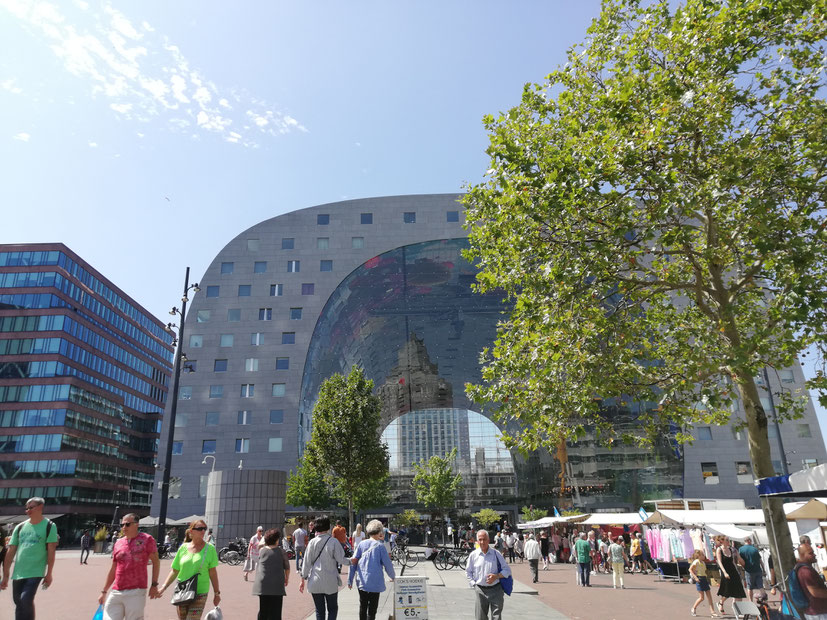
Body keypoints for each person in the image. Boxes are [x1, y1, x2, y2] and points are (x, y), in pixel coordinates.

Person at [0, 496, 59, 620]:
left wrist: (49, 574)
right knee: (18, 602)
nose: (27, 511)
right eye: (26, 508)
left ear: (40, 507)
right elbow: (10, 552)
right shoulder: (20, 527)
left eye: (30, 508)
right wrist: (5, 575)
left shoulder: (49, 526)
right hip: (19, 572)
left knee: (25, 599)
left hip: (36, 571)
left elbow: (51, 552)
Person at [98, 513, 161, 620]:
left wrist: (154, 585)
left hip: (136, 591)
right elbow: (114, 568)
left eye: (127, 524)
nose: (123, 527)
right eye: (122, 525)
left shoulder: (147, 539)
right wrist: (104, 591)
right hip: (116, 591)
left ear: (136, 524)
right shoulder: (118, 543)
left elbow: (156, 562)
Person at [159, 519, 220, 620]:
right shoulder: (183, 548)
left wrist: (216, 593)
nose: (203, 531)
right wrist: (163, 587)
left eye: (204, 529)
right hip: (182, 591)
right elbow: (175, 570)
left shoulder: (210, 549)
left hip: (200, 592)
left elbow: (213, 573)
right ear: (191, 531)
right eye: (200, 529)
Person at [348, 519, 395, 620]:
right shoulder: (381, 547)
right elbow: (388, 564)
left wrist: (350, 579)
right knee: (372, 609)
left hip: (362, 580)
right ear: (379, 532)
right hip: (375, 581)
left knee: (363, 606)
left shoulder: (361, 544)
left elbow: (353, 562)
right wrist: (393, 576)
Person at [300, 516, 345, 620]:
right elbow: (341, 559)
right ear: (328, 527)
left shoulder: (312, 543)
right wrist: (352, 561)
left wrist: (302, 579)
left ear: (315, 527)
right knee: (333, 608)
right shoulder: (333, 542)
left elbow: (306, 563)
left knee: (319, 611)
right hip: (330, 581)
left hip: (315, 581)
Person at [465, 530, 511, 620]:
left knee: (496, 617)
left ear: (488, 540)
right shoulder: (473, 555)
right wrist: (473, 584)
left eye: (484, 539)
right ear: (477, 541)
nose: (482, 542)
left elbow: (507, 570)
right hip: (480, 590)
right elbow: (468, 572)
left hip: (496, 589)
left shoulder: (496, 554)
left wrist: (496, 576)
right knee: (480, 617)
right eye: (480, 539)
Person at [253, 528, 290, 620]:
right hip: (277, 584)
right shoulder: (282, 552)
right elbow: (287, 568)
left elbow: (260, 545)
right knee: (276, 611)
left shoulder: (262, 551)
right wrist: (286, 578)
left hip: (262, 584)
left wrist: (266, 540)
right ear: (277, 540)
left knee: (263, 610)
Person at [795, 535, 827, 620]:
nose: (814, 555)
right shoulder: (805, 571)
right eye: (810, 553)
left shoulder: (806, 568)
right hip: (817, 613)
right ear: (802, 555)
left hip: (818, 611)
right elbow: (815, 592)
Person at [715, 536, 745, 615]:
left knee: (738, 590)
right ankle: (721, 603)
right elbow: (720, 562)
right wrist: (724, 572)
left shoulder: (731, 549)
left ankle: (739, 610)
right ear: (722, 541)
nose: (728, 541)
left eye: (729, 540)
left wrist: (738, 570)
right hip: (725, 571)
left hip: (733, 571)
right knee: (727, 591)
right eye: (727, 540)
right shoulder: (719, 550)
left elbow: (733, 562)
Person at [689, 549, 718, 617]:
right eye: (702, 554)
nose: (704, 556)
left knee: (709, 597)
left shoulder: (703, 562)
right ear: (698, 556)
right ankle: (693, 608)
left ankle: (712, 611)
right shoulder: (696, 561)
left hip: (704, 579)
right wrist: (695, 577)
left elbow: (704, 571)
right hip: (699, 579)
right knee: (702, 598)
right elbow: (690, 569)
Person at [738, 536, 764, 602]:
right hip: (758, 569)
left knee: (749, 587)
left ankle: (750, 601)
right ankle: (764, 600)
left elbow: (740, 560)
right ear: (750, 541)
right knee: (760, 586)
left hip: (749, 570)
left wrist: (742, 566)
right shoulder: (755, 549)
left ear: (745, 541)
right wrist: (763, 569)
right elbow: (760, 560)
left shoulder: (741, 549)